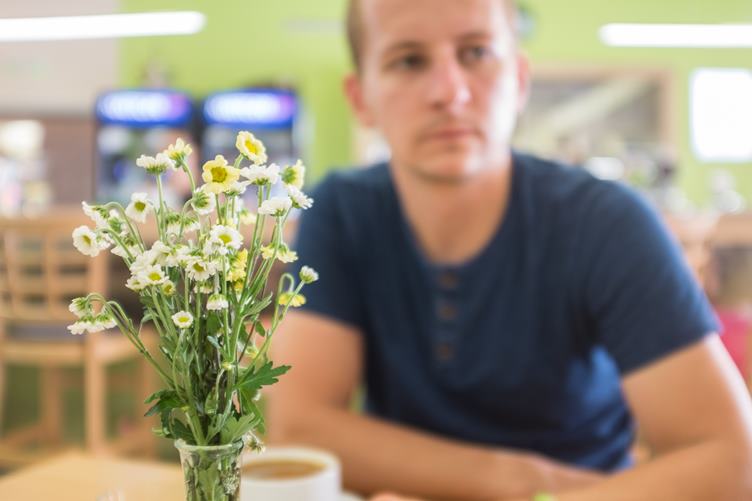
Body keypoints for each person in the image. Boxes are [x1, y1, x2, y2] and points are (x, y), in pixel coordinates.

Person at [265, 0, 752, 499]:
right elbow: (300, 428)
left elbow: (732, 461)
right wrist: (524, 482)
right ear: (360, 98)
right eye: (408, 61)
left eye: (476, 52)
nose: (450, 92)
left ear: (519, 80)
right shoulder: (341, 212)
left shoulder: (606, 221)